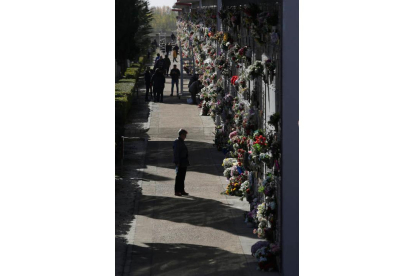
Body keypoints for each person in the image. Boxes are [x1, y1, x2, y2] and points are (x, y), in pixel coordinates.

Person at [173, 129, 189, 196]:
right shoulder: (177, 142)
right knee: (179, 177)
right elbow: (176, 153)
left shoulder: (181, 141)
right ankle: (177, 191)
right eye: (184, 135)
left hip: (184, 162)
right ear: (181, 135)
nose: (185, 136)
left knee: (182, 177)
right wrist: (177, 162)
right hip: (180, 162)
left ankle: (182, 190)